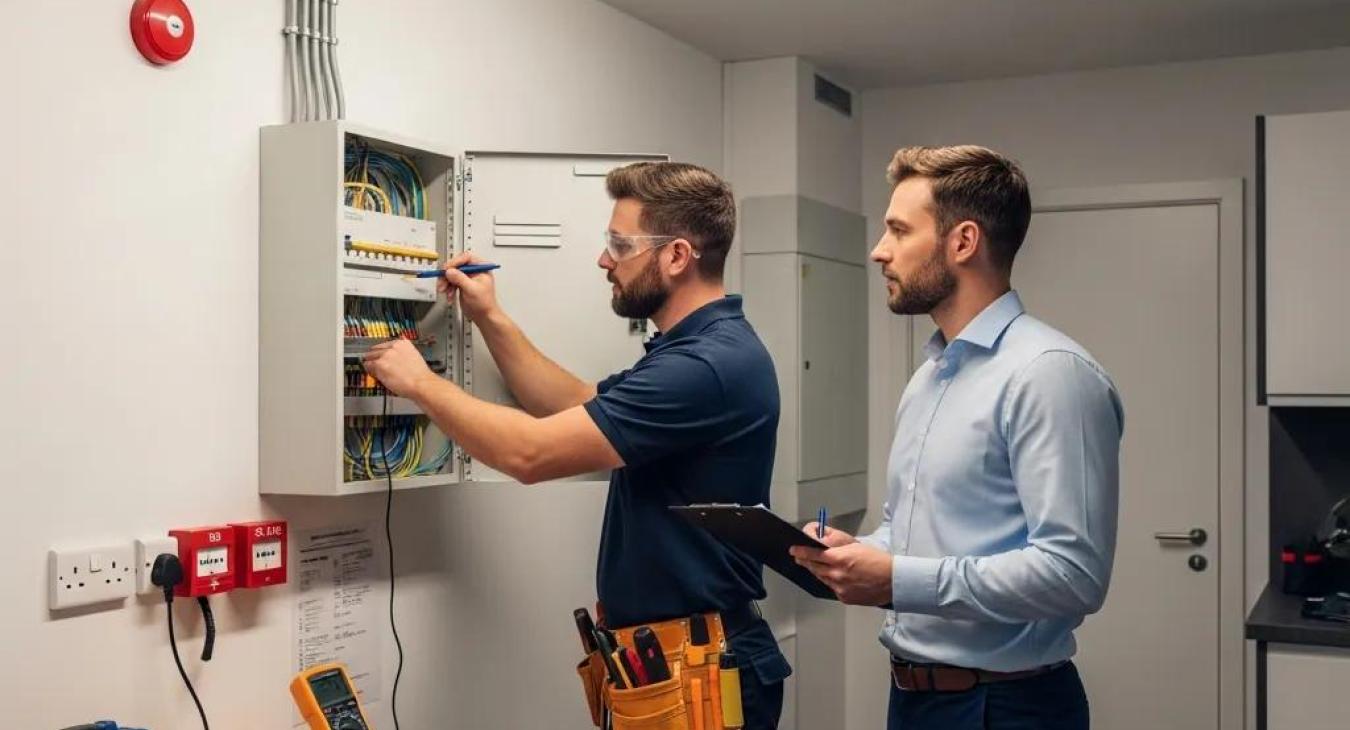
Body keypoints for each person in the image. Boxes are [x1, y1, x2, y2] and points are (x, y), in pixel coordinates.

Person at [364, 161, 791, 728]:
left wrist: (420, 383)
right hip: (668, 665)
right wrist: (490, 317)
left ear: (677, 256)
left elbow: (531, 454)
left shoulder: (706, 366)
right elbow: (572, 404)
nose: (604, 260)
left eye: (620, 245)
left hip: (701, 674)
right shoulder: (697, 350)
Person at [791, 145, 1123, 730]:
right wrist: (860, 553)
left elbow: (1073, 574)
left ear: (963, 241)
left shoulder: (1049, 374)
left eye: (899, 230)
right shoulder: (930, 376)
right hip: (916, 699)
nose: (879, 250)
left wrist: (895, 580)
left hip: (1005, 707)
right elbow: (914, 532)